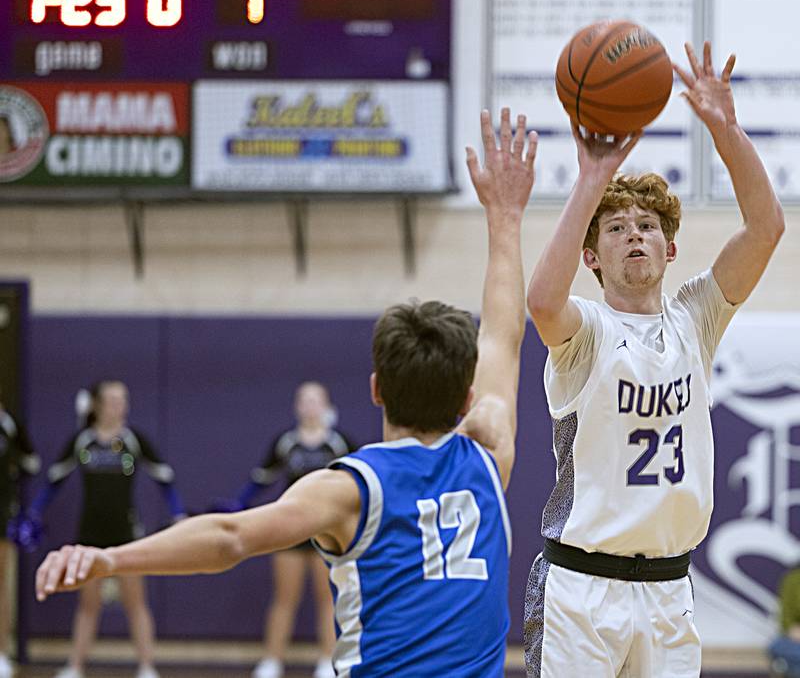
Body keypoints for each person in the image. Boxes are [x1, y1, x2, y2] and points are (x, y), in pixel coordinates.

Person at [34, 107, 538, 677]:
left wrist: (107, 558)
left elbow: (229, 537)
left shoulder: (350, 488)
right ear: (466, 398)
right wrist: (507, 216)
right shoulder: (490, 452)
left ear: (376, 389)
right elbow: (503, 333)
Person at [524, 41, 784, 677]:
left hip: (670, 591)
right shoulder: (586, 327)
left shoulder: (696, 317)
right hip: (582, 590)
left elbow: (766, 227)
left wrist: (725, 129)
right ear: (594, 258)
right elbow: (541, 300)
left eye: (646, 226)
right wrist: (590, 183)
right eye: (615, 228)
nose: (633, 233)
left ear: (670, 251)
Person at [22, 381, 186, 678]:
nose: (119, 405)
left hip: (126, 531)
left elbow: (165, 478)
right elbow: (53, 481)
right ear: (97, 405)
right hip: (91, 532)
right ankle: (75, 666)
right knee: (88, 604)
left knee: (135, 602)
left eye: (123, 399)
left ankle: (147, 667)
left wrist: (178, 514)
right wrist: (33, 513)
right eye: (112, 399)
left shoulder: (133, 440)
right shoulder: (82, 441)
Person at [227, 382, 351, 678]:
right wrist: (237, 505)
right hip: (292, 531)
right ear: (297, 407)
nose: (310, 406)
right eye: (304, 401)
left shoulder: (339, 444)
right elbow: (261, 479)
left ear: (326, 406)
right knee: (285, 598)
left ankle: (326, 660)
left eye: (315, 400)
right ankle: (272, 660)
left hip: (328, 531)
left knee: (327, 597)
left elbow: (355, 482)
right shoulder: (286, 443)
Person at [0, 388, 40, 678]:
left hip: (2, 514)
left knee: (1, 583)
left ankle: (1, 651)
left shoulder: (9, 424)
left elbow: (32, 463)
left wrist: (13, 456)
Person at [768, 565, 800, 678]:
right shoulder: (793, 578)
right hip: (795, 643)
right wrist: (792, 630)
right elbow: (786, 621)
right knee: (777, 647)